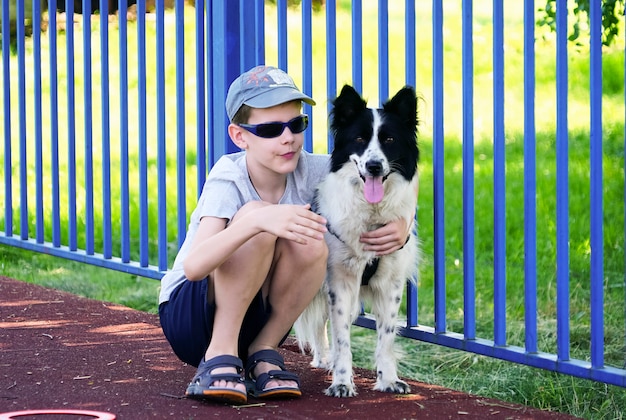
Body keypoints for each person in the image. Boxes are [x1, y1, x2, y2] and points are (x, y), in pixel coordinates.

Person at [158, 65, 411, 405]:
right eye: (271, 129)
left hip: (255, 313)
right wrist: (256, 222)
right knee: (258, 218)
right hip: (191, 316)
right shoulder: (228, 178)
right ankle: (218, 354)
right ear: (239, 136)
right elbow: (194, 268)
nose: (287, 137)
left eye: (296, 124)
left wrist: (404, 223)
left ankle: (262, 350)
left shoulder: (315, 170)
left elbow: (387, 178)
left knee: (311, 242)